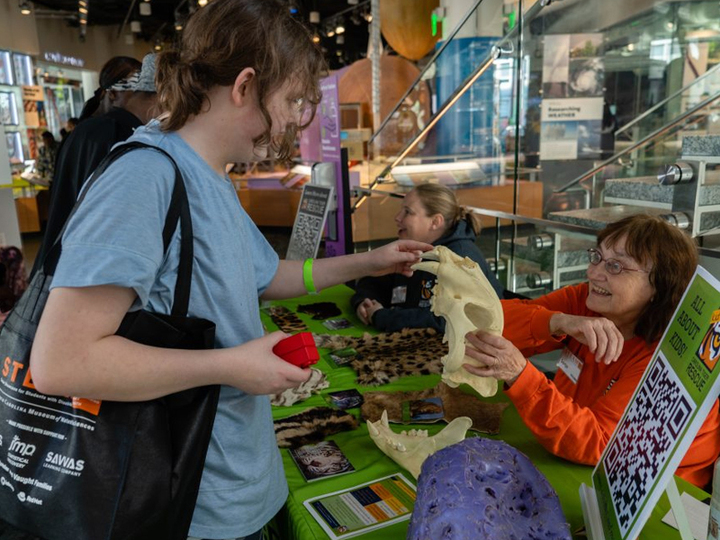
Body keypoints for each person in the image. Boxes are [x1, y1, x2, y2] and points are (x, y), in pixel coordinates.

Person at [29, 2, 431, 539]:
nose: (291, 119)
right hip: (188, 496)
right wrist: (229, 366)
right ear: (245, 85)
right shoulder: (143, 179)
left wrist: (373, 260)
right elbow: (63, 362)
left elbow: (265, 278)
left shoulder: (210, 178)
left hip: (239, 476)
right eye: (290, 99)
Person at [463, 214, 720, 489]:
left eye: (616, 266)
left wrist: (519, 375)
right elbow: (486, 323)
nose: (594, 272)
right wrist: (556, 321)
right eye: (597, 257)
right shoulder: (587, 302)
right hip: (572, 458)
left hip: (662, 496)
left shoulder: (667, 356)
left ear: (659, 285)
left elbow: (597, 442)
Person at [32, 54, 158, 276]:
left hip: (67, 259)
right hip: (91, 265)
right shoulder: (112, 134)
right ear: (113, 94)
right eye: (141, 95)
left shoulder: (84, 132)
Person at [352, 183, 505, 332]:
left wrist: (383, 317)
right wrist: (364, 302)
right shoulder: (414, 247)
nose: (397, 218)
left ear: (435, 222)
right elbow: (374, 281)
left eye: (408, 212)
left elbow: (450, 320)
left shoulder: (461, 258)